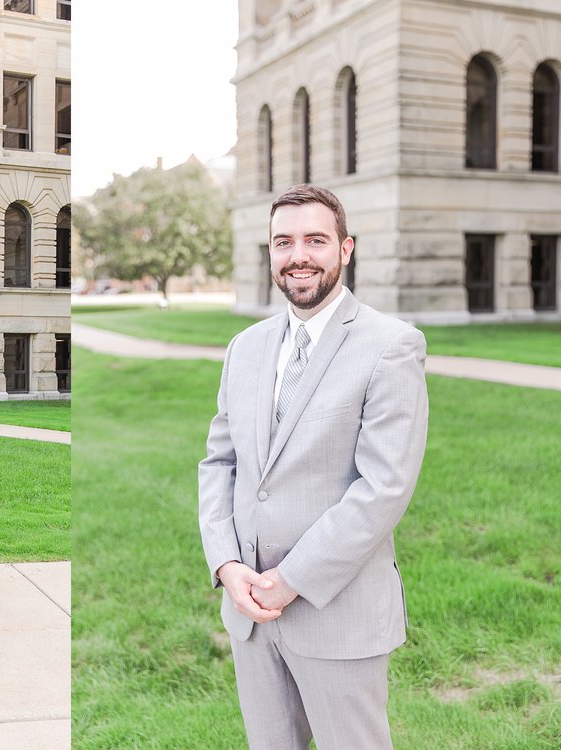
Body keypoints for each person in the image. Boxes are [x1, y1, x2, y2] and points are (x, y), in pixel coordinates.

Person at [198, 184, 429, 749]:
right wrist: (227, 565)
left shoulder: (391, 345)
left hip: (338, 612)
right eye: (284, 242)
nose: (298, 255)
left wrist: (291, 581)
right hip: (249, 611)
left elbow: (383, 488)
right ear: (271, 253)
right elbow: (219, 462)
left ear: (345, 250)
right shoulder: (244, 347)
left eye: (315, 240)